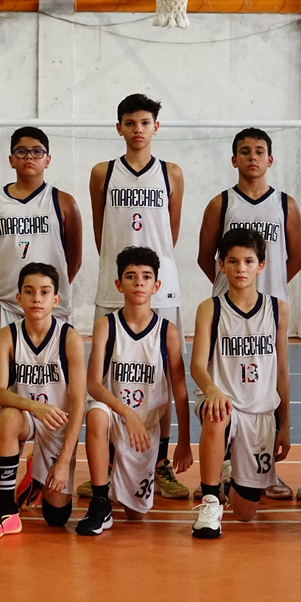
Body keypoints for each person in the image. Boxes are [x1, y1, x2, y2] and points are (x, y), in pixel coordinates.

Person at [0, 126, 83, 496]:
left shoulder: (63, 202)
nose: (29, 157)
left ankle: (44, 459)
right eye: (21, 151)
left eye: (37, 151)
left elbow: (72, 258)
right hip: (3, 301)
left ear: (48, 159)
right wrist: (9, 287)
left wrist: (46, 296)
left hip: (45, 305)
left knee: (53, 382)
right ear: (11, 159)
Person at [88, 93, 188, 501]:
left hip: (159, 287)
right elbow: (101, 231)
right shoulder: (102, 172)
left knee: (160, 376)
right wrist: (121, 271)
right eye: (130, 123)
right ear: (119, 128)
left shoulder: (171, 173)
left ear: (155, 127)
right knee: (111, 374)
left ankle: (159, 462)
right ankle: (110, 464)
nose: (137, 129)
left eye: (145, 122)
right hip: (115, 284)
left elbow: (170, 233)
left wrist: (149, 273)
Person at [196, 127, 301, 501]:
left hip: (267, 308)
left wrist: (267, 289)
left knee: (265, 385)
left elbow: (297, 257)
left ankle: (260, 467)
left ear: (270, 159)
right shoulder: (220, 204)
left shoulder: (286, 204)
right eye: (245, 151)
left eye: (259, 151)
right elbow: (205, 256)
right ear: (234, 159)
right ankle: (223, 465)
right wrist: (233, 290)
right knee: (223, 387)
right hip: (228, 309)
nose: (252, 157)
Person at [76, 247, 193, 536]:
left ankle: (123, 477)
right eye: (131, 276)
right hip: (116, 417)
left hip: (146, 428)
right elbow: (93, 384)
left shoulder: (168, 332)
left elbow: (180, 391)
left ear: (157, 285)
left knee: (136, 514)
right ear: (119, 284)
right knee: (96, 414)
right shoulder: (106, 326)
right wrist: (126, 412)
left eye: (146, 277)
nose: (139, 282)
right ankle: (100, 501)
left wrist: (184, 441)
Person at [0, 263, 87, 539]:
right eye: (29, 291)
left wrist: (64, 461)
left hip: (57, 424)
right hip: (27, 416)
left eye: (44, 292)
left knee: (56, 518)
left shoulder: (69, 338)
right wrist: (35, 406)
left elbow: (79, 403)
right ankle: (6, 510)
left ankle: (36, 474)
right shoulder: (6, 336)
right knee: (7, 415)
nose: (37, 298)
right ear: (18, 297)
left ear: (55, 299)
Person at [191, 229, 291, 539]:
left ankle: (227, 475)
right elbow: (197, 365)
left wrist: (285, 425)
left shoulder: (278, 309)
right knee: (217, 413)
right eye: (233, 261)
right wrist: (212, 390)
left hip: (260, 412)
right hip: (224, 403)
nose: (241, 268)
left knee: (245, 513)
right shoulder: (211, 308)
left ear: (261, 266)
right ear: (221, 265)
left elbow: (282, 370)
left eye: (248, 261)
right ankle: (210, 501)